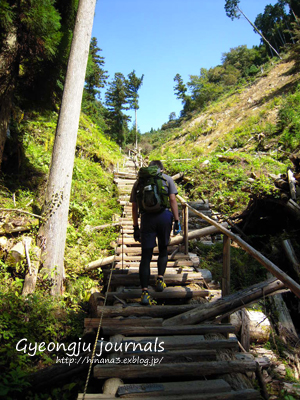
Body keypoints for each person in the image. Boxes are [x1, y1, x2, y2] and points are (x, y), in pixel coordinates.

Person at [130, 160, 181, 305]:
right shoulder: (167, 179)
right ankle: (160, 280)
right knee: (163, 250)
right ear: (161, 169)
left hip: (146, 219)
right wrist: (176, 221)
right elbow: (172, 199)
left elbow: (134, 208)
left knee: (146, 257)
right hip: (164, 217)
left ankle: (145, 293)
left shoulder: (139, 182)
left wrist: (135, 227)